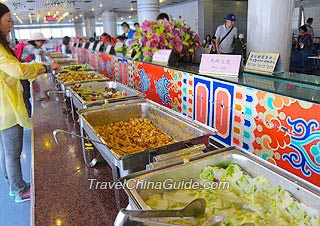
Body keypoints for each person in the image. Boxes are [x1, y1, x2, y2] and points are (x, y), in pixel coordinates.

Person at [0, 2, 60, 203]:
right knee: (13, 151)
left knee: (6, 150)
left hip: (6, 103)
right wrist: (45, 68)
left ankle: (11, 184)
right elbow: (19, 70)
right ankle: (19, 189)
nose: (10, 25)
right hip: (6, 107)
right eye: (7, 21)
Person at [19, 32, 49, 117]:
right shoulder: (29, 46)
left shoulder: (28, 45)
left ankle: (29, 112)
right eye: (41, 42)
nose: (41, 44)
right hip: (23, 73)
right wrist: (46, 53)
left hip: (26, 71)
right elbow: (37, 52)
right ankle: (29, 114)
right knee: (25, 94)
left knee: (27, 92)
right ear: (35, 41)